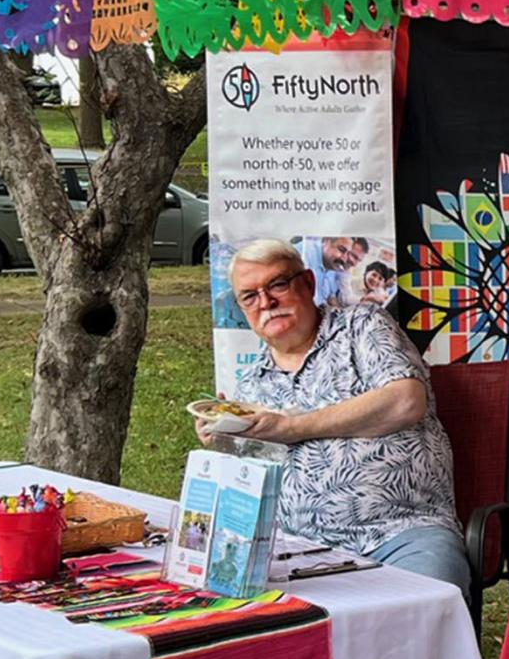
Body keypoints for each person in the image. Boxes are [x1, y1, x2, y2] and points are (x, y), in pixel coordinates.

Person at [199, 238, 468, 593]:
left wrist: (293, 427)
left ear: (308, 283)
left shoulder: (363, 326)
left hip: (400, 534)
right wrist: (228, 442)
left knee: (424, 609)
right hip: (293, 552)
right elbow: (251, 485)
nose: (266, 302)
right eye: (250, 296)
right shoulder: (250, 387)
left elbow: (406, 401)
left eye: (277, 284)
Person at [294, 235, 369, 309]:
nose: (344, 259)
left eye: (348, 253)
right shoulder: (304, 253)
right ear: (326, 240)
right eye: (341, 250)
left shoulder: (332, 266)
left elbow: (331, 298)